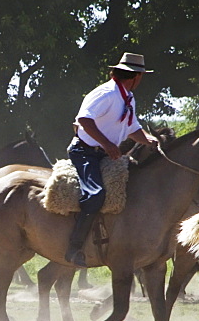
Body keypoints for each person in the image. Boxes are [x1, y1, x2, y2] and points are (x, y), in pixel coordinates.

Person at [64, 52, 163, 267]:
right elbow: (83, 119)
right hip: (85, 152)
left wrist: (150, 140)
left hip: (104, 153)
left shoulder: (128, 97)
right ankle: (74, 247)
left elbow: (132, 128)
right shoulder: (107, 93)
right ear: (135, 76)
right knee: (95, 194)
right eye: (141, 75)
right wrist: (107, 144)